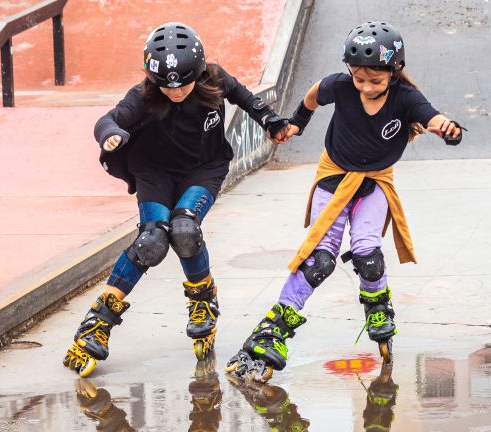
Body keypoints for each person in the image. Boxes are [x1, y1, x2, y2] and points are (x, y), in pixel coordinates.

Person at [227, 21, 465, 382]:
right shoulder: (339, 86)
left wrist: (446, 127)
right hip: (334, 177)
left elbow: (432, 116)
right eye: (359, 79)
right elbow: (312, 95)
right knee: (320, 259)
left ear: (394, 71)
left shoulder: (405, 98)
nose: (366, 87)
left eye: (375, 80)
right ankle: (272, 329)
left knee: (369, 255)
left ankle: (378, 305)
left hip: (375, 183)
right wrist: (297, 123)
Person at [63, 22, 289, 377]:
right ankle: (97, 323)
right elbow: (107, 121)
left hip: (204, 169)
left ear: (198, 73)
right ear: (154, 80)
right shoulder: (142, 96)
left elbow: (248, 99)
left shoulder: (214, 79)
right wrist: (112, 135)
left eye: (183, 83)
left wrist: (272, 122)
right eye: (167, 86)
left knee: (184, 229)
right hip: (153, 171)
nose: (176, 91)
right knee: (152, 240)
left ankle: (202, 301)